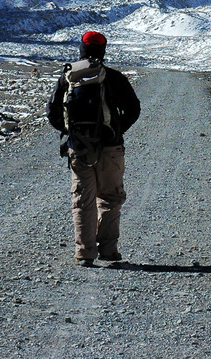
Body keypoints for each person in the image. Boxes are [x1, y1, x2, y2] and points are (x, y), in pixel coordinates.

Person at [46, 30, 141, 266]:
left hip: (79, 148)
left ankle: (85, 252)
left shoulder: (68, 78)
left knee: (83, 200)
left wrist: (71, 133)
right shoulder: (114, 78)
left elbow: (52, 112)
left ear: (81, 49)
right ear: (103, 51)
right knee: (109, 198)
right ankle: (108, 250)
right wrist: (116, 132)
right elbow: (134, 109)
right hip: (111, 149)